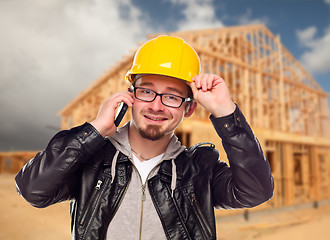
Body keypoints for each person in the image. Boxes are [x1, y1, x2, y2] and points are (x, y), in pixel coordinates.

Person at [15, 35, 274, 240]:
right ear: (131, 96)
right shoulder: (92, 161)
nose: (156, 106)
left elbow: (256, 191)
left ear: (189, 108)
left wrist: (226, 113)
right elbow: (33, 189)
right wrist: (93, 132)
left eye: (172, 96)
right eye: (146, 92)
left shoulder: (198, 171)